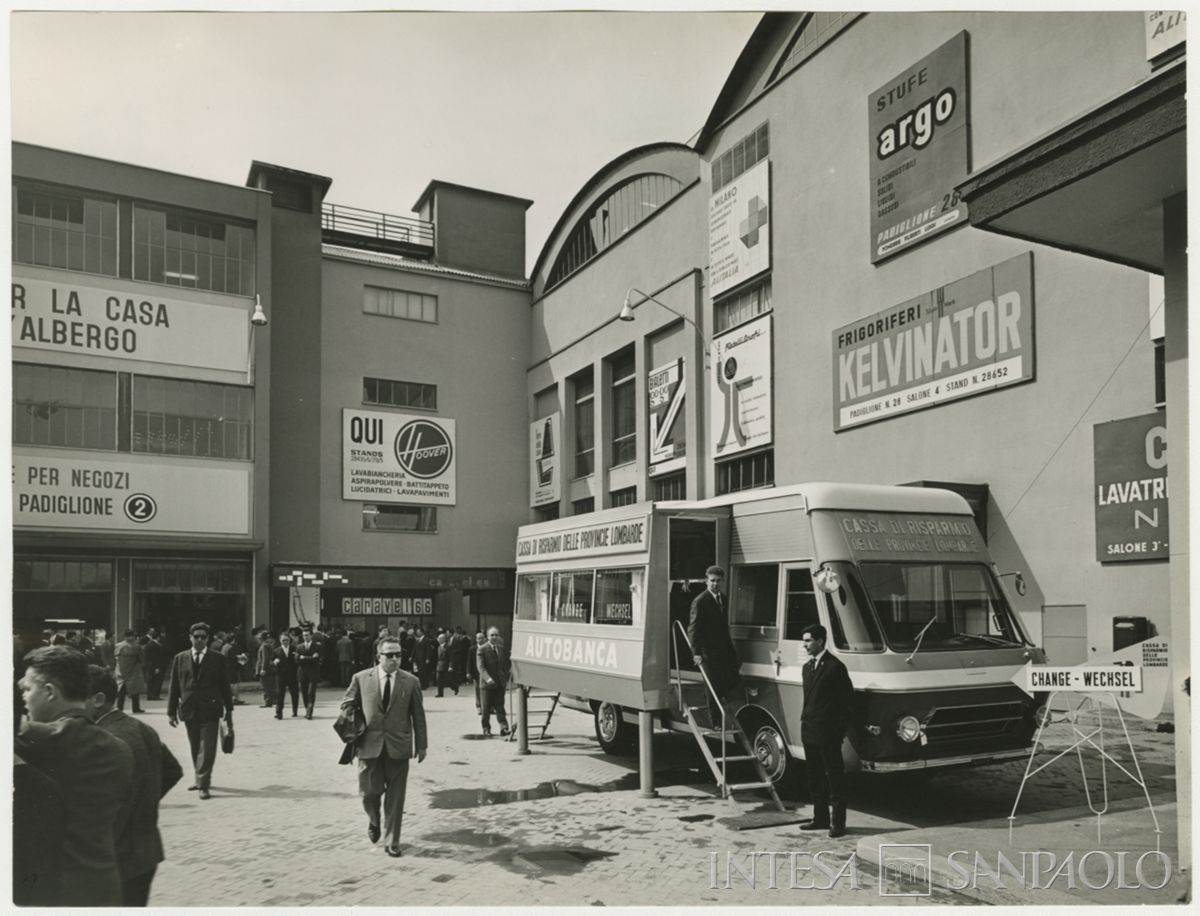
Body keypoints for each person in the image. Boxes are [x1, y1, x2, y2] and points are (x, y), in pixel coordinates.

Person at [16, 645, 133, 906]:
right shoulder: (120, 748)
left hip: (48, 891)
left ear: (49, 692)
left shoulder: (34, 739)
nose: (24, 698)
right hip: (103, 885)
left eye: (27, 689)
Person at [85, 665, 183, 906]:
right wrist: (144, 801)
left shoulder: (102, 738)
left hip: (118, 855)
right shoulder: (141, 727)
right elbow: (173, 770)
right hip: (146, 851)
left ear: (98, 700)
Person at [341, 636, 427, 858]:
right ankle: (374, 819)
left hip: (399, 746)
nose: (394, 659)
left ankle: (392, 841)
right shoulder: (361, 678)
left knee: (396, 798)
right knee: (368, 793)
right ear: (378, 656)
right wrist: (351, 717)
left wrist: (422, 745)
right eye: (389, 655)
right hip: (368, 745)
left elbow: (418, 716)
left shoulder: (411, 681)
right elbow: (347, 703)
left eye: (398, 655)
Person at [166, 622, 234, 800]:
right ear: (190, 638)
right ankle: (199, 777)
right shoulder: (180, 658)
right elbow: (174, 686)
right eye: (196, 637)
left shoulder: (217, 659)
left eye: (203, 637)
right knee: (195, 745)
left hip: (210, 708)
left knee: (208, 747)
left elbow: (225, 685)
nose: (199, 640)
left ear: (208, 639)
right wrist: (171, 712)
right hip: (189, 708)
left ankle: (203, 784)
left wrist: (229, 709)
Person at [798, 623, 855, 839]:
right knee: (815, 778)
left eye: (808, 641)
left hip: (828, 733)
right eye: (804, 641)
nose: (804, 645)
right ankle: (820, 818)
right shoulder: (807, 668)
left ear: (820, 641)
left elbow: (847, 702)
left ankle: (838, 824)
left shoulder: (835, 667)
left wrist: (838, 732)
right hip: (809, 730)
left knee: (834, 778)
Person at [687, 565, 741, 725]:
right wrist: (696, 653)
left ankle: (724, 713)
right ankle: (715, 722)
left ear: (722, 581)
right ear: (706, 581)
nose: (715, 584)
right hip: (707, 652)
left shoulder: (724, 599)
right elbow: (693, 629)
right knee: (712, 686)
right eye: (712, 581)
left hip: (723, 650)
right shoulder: (700, 601)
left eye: (718, 581)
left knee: (731, 680)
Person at [477, 627, 510, 736]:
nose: (494, 637)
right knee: (486, 708)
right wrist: (488, 678)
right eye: (492, 635)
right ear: (487, 637)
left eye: (496, 635)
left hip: (499, 683)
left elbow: (504, 665)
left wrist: (505, 677)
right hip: (487, 684)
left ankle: (504, 728)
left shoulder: (501, 648)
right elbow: (481, 667)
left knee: (500, 706)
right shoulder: (482, 649)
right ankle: (486, 728)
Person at [114, 628, 147, 713]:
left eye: (131, 636)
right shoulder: (121, 646)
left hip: (133, 670)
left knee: (134, 690)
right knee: (122, 690)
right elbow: (116, 659)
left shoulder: (136, 646)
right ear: (125, 637)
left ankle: (135, 708)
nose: (130, 638)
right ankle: (120, 708)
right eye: (128, 636)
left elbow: (142, 658)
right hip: (123, 670)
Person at [273, 629, 301, 719]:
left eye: (287, 640)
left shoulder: (294, 649)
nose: (285, 642)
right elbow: (270, 661)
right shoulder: (276, 651)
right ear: (280, 641)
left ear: (289, 640)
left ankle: (295, 711)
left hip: (292, 675)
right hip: (281, 676)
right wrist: (274, 662)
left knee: (294, 694)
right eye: (283, 640)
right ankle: (279, 713)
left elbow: (298, 661)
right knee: (280, 694)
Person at [296, 625, 322, 719]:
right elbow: (297, 660)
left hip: (313, 673)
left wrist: (304, 658)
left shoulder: (317, 646)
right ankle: (307, 709)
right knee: (304, 693)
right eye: (304, 635)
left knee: (311, 693)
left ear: (311, 635)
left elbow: (318, 659)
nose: (305, 637)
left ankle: (309, 712)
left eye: (307, 635)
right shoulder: (299, 647)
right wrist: (311, 658)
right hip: (302, 673)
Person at [255, 630, 278, 707]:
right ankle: (271, 700)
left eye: (259, 638)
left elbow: (265, 658)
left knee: (266, 686)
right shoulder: (267, 645)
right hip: (269, 668)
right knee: (269, 685)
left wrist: (263, 669)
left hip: (266, 669)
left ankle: (268, 701)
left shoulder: (264, 646)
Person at [143, 628, 166, 700]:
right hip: (154, 665)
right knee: (156, 680)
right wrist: (157, 667)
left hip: (150, 665)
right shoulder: (154, 645)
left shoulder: (149, 644)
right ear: (158, 638)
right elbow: (155, 657)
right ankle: (154, 695)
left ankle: (150, 695)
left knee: (151, 680)